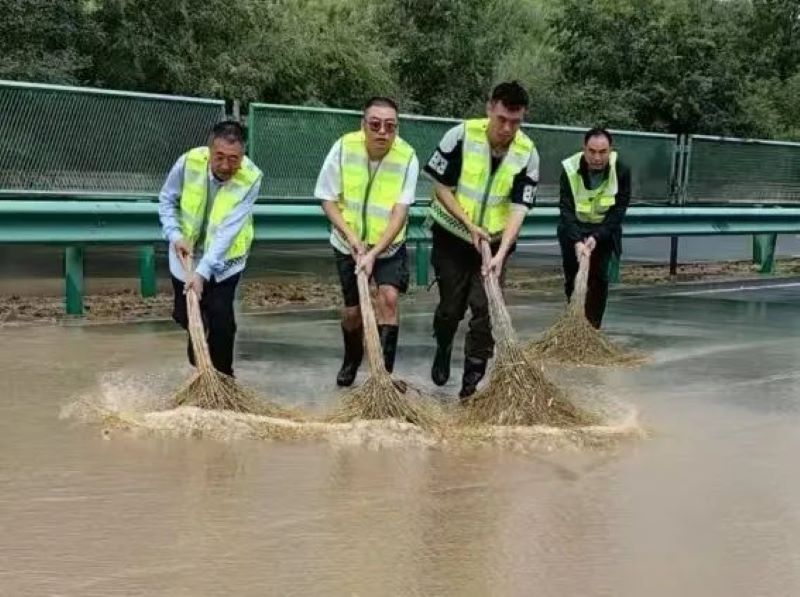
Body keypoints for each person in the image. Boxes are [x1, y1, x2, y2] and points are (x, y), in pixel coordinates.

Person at [423, 81, 539, 399]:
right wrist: (468, 223)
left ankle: (471, 384)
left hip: (494, 243)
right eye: (502, 119)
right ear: (490, 108)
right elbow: (440, 187)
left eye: (515, 122)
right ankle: (443, 345)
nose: (507, 128)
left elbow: (519, 207)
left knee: (486, 309)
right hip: (452, 235)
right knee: (451, 308)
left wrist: (502, 251)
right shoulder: (460, 136)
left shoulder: (527, 153)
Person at [316, 97, 419, 386]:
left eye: (390, 126)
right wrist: (351, 238)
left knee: (388, 298)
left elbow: (400, 210)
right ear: (363, 125)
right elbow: (327, 198)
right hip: (347, 243)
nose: (382, 132)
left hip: (388, 244)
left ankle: (382, 379)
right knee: (352, 312)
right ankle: (351, 359)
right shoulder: (343, 148)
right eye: (375, 125)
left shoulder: (407, 156)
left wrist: (375, 251)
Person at [158, 120, 263, 376]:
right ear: (209, 150)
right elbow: (167, 199)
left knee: (221, 321)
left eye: (233, 159)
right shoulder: (188, 162)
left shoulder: (252, 178)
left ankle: (224, 378)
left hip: (226, 259)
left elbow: (229, 231)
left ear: (243, 155)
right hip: (185, 254)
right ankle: (202, 361)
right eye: (219, 158)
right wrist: (175, 234)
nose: (226, 166)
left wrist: (202, 274)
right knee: (187, 315)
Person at [557, 127, 631, 328]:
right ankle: (575, 324)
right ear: (584, 149)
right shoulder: (570, 168)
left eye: (602, 152)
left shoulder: (621, 170)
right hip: (574, 229)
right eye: (592, 151)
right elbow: (566, 209)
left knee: (599, 280)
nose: (597, 157)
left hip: (603, 231)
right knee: (573, 278)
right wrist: (576, 241)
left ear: (610, 150)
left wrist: (597, 237)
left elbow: (618, 211)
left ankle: (593, 328)